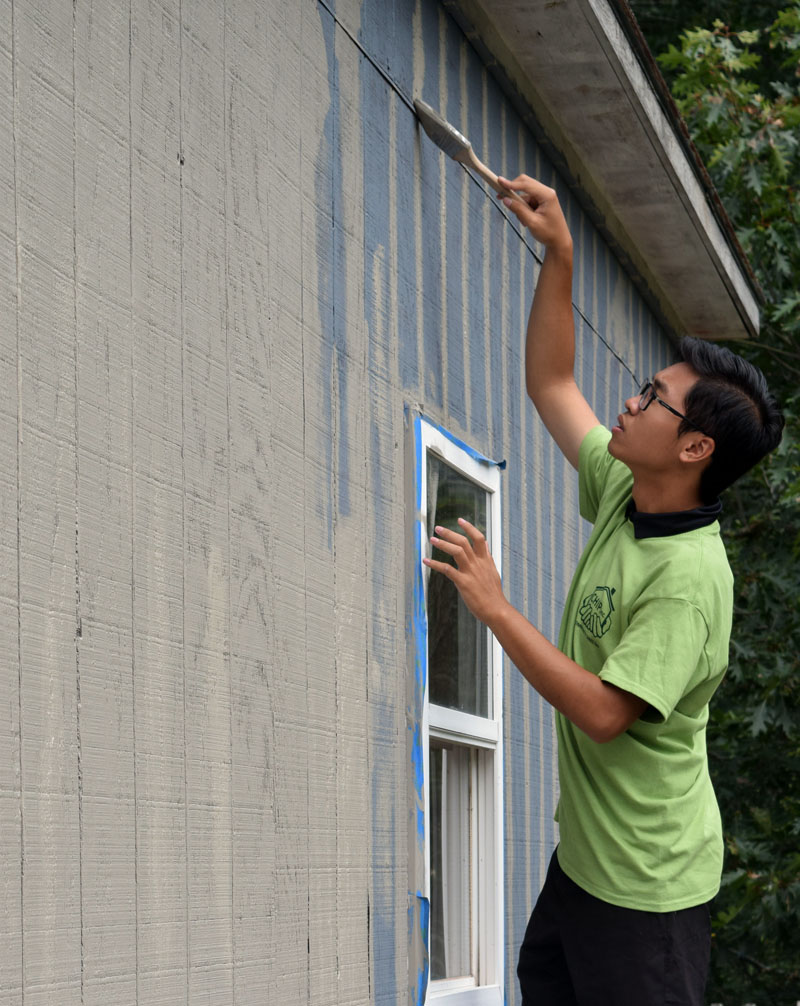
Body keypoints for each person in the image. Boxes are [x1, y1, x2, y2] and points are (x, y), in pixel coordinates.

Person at [422, 175, 784, 1005]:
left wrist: (495, 609)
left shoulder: (689, 582)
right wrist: (560, 254)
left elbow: (602, 712)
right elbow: (552, 384)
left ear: (694, 449)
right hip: (587, 862)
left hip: (646, 888)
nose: (630, 400)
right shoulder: (628, 489)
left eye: (652, 398)